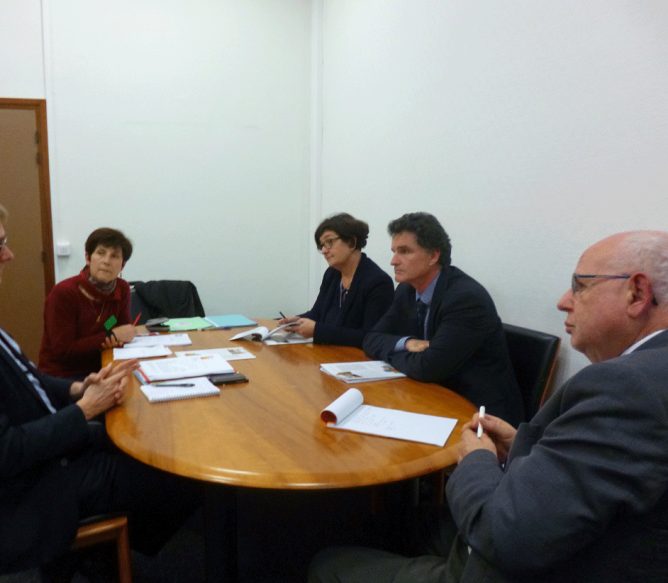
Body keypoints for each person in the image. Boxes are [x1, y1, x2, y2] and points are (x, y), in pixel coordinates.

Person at [309, 230, 668, 583]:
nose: (563, 301)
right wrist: (518, 445)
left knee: (327, 561)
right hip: (529, 511)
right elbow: (594, 473)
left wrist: (476, 458)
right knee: (387, 520)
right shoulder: (642, 376)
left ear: (637, 293)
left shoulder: (628, 387)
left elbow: (506, 537)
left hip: (495, 560)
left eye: (581, 286)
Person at [0, 192, 199, 579]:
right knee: (174, 475)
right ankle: (92, 549)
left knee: (148, 442)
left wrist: (78, 389)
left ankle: (100, 547)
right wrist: (85, 409)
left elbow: (25, 376)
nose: (9, 255)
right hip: (20, 491)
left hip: (40, 447)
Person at [363, 213, 523, 425]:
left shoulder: (466, 298)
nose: (393, 261)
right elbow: (371, 338)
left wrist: (391, 354)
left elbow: (428, 368)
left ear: (433, 256)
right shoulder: (406, 290)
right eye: (394, 251)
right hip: (432, 397)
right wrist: (407, 343)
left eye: (404, 251)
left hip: (479, 414)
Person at [278, 213, 394, 348]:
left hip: (356, 360)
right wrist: (296, 320)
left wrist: (317, 330)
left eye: (329, 242)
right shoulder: (332, 274)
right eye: (322, 246)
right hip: (328, 354)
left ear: (352, 242)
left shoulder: (378, 282)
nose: (324, 251)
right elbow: (318, 313)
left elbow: (370, 337)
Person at [38, 227, 136, 379]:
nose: (106, 261)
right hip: (64, 378)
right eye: (101, 253)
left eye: (115, 256)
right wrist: (109, 336)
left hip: (104, 367)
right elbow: (65, 352)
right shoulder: (64, 293)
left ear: (122, 265)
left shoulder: (121, 289)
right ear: (88, 258)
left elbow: (123, 330)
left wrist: (115, 336)